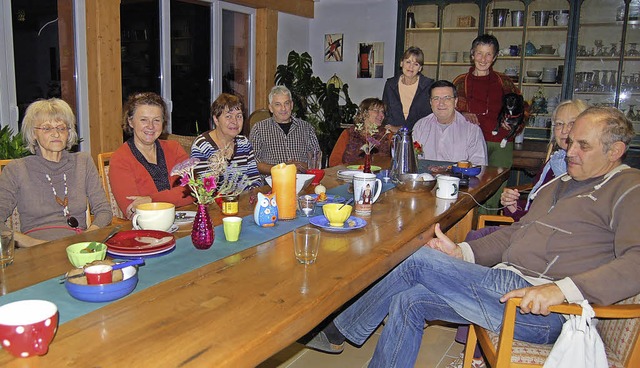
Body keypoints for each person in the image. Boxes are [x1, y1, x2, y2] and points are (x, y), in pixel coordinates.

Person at [306, 107, 640, 367]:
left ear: (615, 151)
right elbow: (514, 236)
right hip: (502, 285)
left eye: (584, 145)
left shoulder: (628, 189)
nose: (571, 151)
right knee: (407, 301)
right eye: (570, 142)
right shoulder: (562, 182)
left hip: (546, 312)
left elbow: (635, 264)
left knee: (415, 260)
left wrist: (560, 290)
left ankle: (337, 330)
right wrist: (462, 251)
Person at [0, 98, 112, 247]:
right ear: (34, 134)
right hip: (36, 251)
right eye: (46, 128)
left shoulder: (83, 162)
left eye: (61, 128)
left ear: (68, 132)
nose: (56, 134)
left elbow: (104, 211)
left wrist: (87, 238)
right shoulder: (17, 169)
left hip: (79, 246)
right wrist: (28, 243)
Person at [452, 34, 526, 212]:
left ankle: (486, 225)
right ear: (472, 54)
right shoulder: (460, 82)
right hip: (470, 142)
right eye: (479, 54)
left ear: (495, 57)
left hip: (500, 143)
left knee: (496, 185)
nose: (483, 59)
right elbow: (448, 110)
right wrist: (463, 113)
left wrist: (513, 124)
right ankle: (467, 224)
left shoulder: (505, 82)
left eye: (488, 55)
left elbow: (524, 109)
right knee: (469, 186)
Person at [110, 92, 193, 219]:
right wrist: (174, 197)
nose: (151, 126)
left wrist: (151, 200)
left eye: (156, 120)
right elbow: (132, 210)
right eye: (144, 120)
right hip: (147, 229)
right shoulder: (120, 159)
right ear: (131, 122)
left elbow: (191, 190)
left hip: (185, 221)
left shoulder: (174, 148)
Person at [190, 93, 262, 189]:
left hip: (244, 201)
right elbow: (204, 189)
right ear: (216, 119)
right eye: (228, 116)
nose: (235, 121)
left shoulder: (244, 143)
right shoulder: (202, 146)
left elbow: (255, 180)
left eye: (239, 116)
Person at [412, 80, 487, 166]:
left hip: (459, 178)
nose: (441, 103)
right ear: (430, 102)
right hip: (425, 178)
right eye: (436, 98)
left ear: (455, 101)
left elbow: (479, 165)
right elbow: (412, 160)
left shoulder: (472, 130)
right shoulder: (420, 126)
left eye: (447, 98)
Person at [249, 85, 321, 174]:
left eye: (286, 103)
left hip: (302, 181)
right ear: (271, 108)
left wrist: (300, 166)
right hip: (271, 183)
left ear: (291, 105)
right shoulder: (259, 129)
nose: (283, 108)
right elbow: (253, 162)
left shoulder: (307, 128)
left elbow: (316, 159)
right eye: (278, 104)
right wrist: (281, 169)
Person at [382, 46, 434, 132]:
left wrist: (402, 129)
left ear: (420, 68)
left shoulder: (428, 85)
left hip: (420, 133)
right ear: (401, 63)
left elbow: (429, 116)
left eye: (416, 64)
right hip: (394, 135)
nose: (411, 67)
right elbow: (385, 110)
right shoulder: (390, 84)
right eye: (408, 62)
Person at [328, 98, 392, 167]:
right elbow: (334, 161)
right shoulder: (348, 133)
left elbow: (396, 161)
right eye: (376, 111)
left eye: (382, 112)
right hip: (350, 175)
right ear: (364, 113)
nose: (382, 115)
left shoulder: (387, 135)